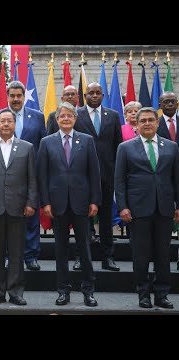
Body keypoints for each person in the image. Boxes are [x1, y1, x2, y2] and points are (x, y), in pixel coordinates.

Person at [37, 102, 101, 307]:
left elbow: (94, 173)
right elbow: (42, 175)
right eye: (62, 116)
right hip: (57, 205)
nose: (65, 119)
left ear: (75, 119)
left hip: (81, 203)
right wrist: (45, 202)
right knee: (61, 250)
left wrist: (94, 200)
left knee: (85, 249)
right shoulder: (46, 142)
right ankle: (63, 291)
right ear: (56, 120)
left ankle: (88, 291)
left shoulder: (87, 141)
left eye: (69, 116)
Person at [115, 107, 179, 309]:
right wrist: (123, 206)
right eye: (143, 120)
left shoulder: (171, 147)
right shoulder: (125, 148)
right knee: (141, 255)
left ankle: (162, 295)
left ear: (158, 123)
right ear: (137, 124)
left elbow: (176, 179)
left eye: (151, 120)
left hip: (165, 209)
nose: (147, 123)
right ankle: (143, 294)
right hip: (137, 209)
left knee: (163, 254)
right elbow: (119, 181)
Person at [0, 109, 37, 305]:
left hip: (18, 208)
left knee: (17, 253)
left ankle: (16, 292)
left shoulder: (27, 147)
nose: (5, 124)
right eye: (2, 121)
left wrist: (30, 203)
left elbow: (32, 179)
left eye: (9, 121)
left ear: (14, 124)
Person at [0, 81, 46, 271]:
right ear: (7, 96)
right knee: (5, 218)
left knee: (31, 217)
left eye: (19, 95)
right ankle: (6, 256)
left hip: (30, 176)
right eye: (12, 95)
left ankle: (30, 256)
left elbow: (42, 147)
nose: (16, 99)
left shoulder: (37, 117)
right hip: (3, 178)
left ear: (23, 96)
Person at [73, 82, 123, 271]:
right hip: (82, 176)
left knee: (106, 219)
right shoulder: (78, 115)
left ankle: (107, 258)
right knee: (82, 220)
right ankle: (81, 257)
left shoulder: (113, 116)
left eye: (98, 93)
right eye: (90, 93)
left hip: (107, 176)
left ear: (103, 95)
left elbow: (118, 147)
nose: (94, 96)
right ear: (85, 96)